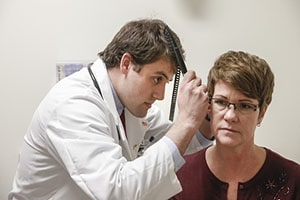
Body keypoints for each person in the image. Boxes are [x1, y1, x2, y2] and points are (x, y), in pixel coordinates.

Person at [9, 19, 213, 200]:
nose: (160, 94)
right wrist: (186, 120)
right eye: (156, 79)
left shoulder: (131, 106)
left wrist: (205, 121)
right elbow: (116, 191)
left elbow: (176, 142)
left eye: (166, 83)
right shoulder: (73, 104)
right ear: (126, 64)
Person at [171, 50, 300, 200]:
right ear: (209, 106)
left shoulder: (293, 180)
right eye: (221, 102)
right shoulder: (178, 177)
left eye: (245, 106)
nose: (230, 116)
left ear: (262, 113)